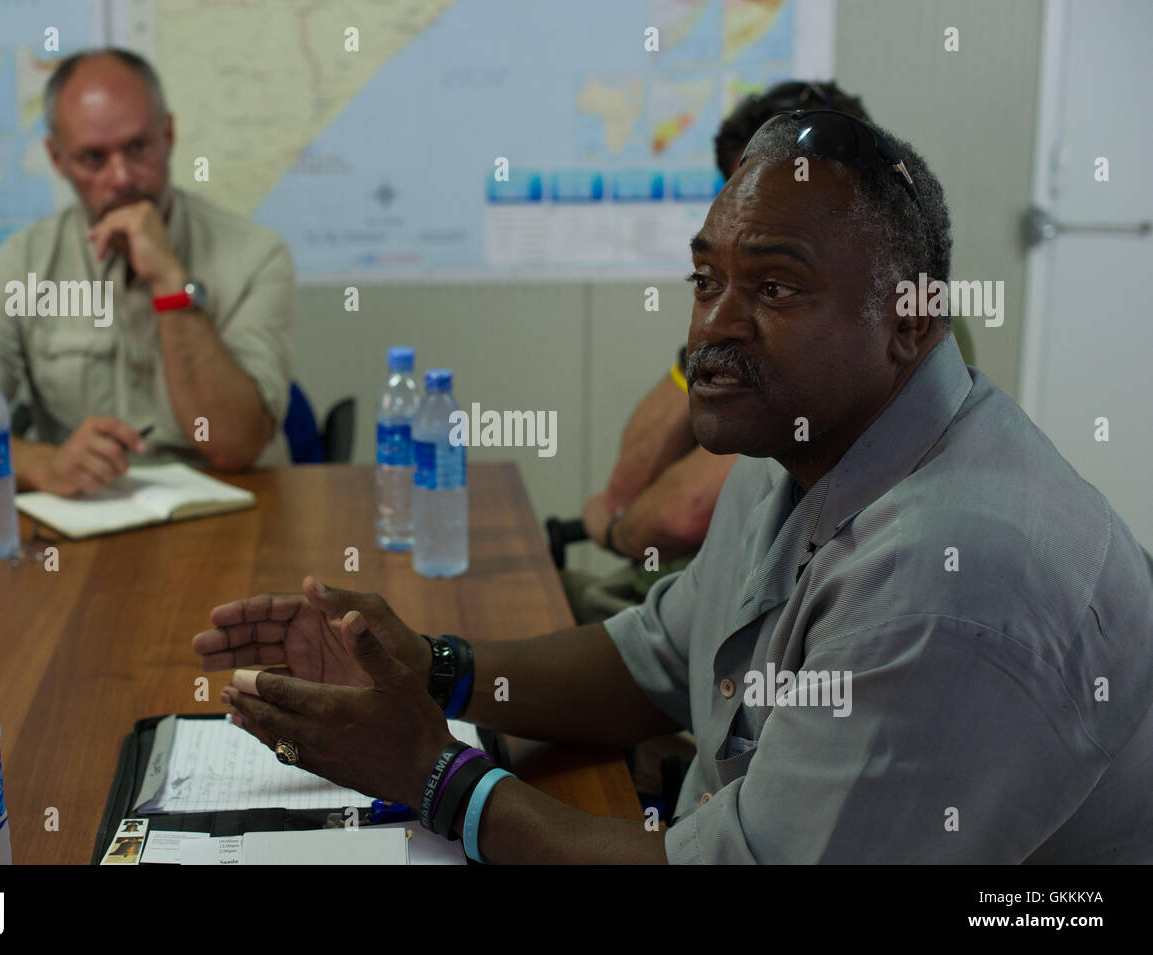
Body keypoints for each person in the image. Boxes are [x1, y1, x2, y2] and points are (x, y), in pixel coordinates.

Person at [193, 110, 1153, 863]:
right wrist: (433, 666)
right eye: (705, 280)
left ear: (910, 319)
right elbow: (655, 653)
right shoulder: (803, 449)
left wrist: (433, 773)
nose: (713, 329)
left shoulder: (951, 572)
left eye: (773, 289)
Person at [568, 80, 977, 624]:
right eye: (706, 278)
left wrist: (614, 528)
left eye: (775, 282)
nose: (753, 209)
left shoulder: (891, 334)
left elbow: (682, 514)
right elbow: (630, 480)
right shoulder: (732, 317)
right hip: (679, 601)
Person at [0, 49, 294, 497]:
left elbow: (233, 446)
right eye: (93, 158)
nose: (122, 177)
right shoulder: (24, 264)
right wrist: (42, 463)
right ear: (57, 160)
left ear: (168, 135)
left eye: (138, 148)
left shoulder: (256, 256)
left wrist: (170, 283)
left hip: (229, 518)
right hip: (88, 520)